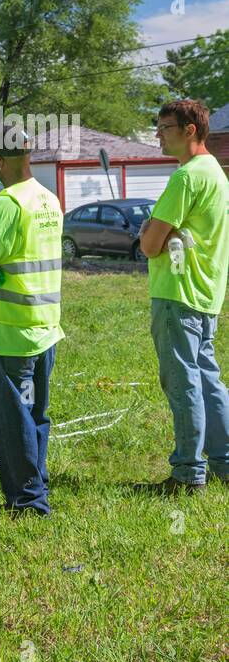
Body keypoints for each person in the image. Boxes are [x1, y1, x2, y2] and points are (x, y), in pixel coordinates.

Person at [0, 131, 63, 515]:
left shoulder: (4, 206)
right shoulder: (48, 200)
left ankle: (27, 500)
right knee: (34, 413)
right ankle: (36, 484)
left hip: (5, 335)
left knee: (10, 418)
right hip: (42, 330)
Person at [138, 98, 229, 493]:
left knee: (184, 382)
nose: (158, 135)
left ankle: (188, 474)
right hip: (206, 294)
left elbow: (150, 245)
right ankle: (224, 464)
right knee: (208, 379)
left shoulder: (187, 177)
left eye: (165, 127)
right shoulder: (217, 173)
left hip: (178, 293)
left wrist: (148, 232)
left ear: (190, 130)